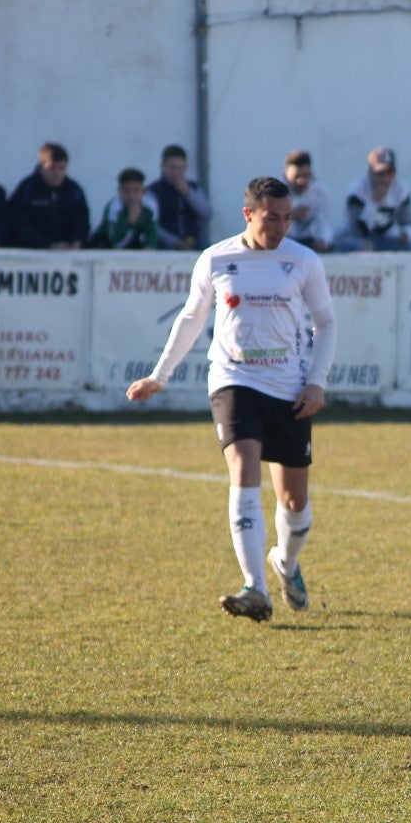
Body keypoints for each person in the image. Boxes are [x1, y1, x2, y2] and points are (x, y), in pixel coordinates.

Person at [125, 176, 338, 623]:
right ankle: (255, 587)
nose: (280, 228)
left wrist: (316, 382)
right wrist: (159, 376)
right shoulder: (216, 258)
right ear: (248, 214)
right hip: (233, 380)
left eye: (287, 218)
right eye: (271, 218)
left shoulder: (303, 260)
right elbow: (190, 317)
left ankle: (286, 562)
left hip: (289, 388)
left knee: (294, 500)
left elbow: (326, 323)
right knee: (243, 471)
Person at [333, 146, 411, 251]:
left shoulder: (401, 190)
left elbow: (407, 222)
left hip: (384, 239)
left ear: (394, 173)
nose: (384, 178)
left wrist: (406, 234)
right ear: (370, 173)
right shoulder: (356, 191)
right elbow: (357, 229)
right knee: (361, 246)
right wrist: (374, 201)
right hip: (354, 238)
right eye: (379, 173)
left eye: (388, 173)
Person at [7, 142, 90, 249]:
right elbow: (18, 224)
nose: (57, 173)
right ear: (41, 168)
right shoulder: (27, 189)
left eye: (61, 168)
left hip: (66, 252)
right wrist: (47, 244)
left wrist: (77, 241)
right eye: (52, 168)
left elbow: (82, 221)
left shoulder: (74, 191)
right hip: (31, 252)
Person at [146, 144, 212, 251]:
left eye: (180, 168)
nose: (176, 173)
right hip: (166, 243)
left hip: (194, 241)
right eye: (172, 168)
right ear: (163, 167)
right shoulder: (153, 191)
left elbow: (207, 213)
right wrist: (175, 242)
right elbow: (152, 225)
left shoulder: (193, 187)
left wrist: (188, 193)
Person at [89, 168, 158, 249]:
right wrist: (131, 223)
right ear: (119, 190)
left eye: (136, 190)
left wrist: (149, 248)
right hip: (105, 241)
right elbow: (116, 241)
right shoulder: (114, 207)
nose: (131, 195)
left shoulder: (150, 207)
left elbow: (152, 235)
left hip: (133, 241)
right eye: (127, 190)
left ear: (143, 191)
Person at [283, 149, 332, 252]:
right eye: (296, 177)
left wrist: (322, 240)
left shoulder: (320, 193)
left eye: (305, 176)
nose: (301, 181)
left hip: (310, 243)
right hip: (284, 243)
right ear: (286, 174)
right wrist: (290, 215)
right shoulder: (276, 192)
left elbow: (323, 223)